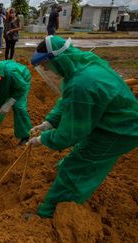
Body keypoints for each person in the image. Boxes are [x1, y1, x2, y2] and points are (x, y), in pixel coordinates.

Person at [28, 35, 138, 218]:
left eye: (46, 63)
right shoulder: (84, 65)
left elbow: (70, 134)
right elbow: (67, 100)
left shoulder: (82, 84)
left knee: (79, 167)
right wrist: (50, 122)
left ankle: (50, 214)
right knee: (81, 154)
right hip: (109, 120)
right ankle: (62, 184)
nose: (46, 68)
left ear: (59, 59)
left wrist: (43, 139)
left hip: (121, 130)